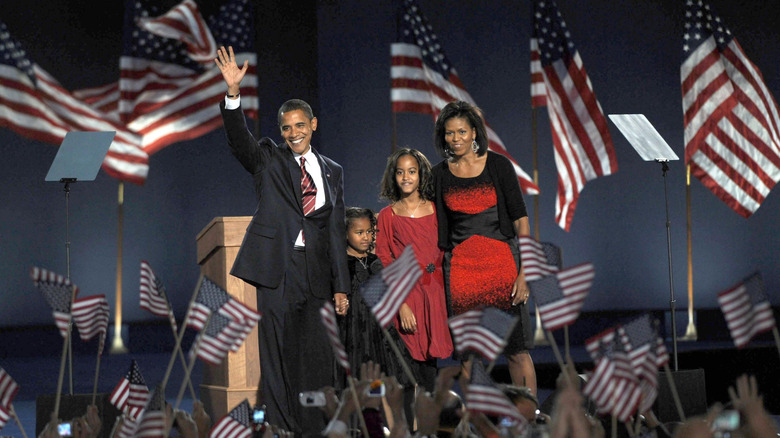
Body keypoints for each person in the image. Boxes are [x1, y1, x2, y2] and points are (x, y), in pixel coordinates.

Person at [215, 45, 350, 436]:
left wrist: (341, 286)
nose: (293, 133)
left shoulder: (333, 171)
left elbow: (337, 230)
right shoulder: (268, 159)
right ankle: (281, 425)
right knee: (276, 352)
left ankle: (317, 425)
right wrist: (233, 95)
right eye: (286, 128)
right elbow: (239, 139)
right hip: (279, 267)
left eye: (299, 126)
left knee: (319, 353)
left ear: (313, 124)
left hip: (318, 272)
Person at [431, 100, 537, 394]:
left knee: (516, 350)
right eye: (450, 133)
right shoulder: (439, 174)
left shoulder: (498, 165)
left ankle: (528, 419)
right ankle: (478, 423)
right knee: (469, 356)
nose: (456, 139)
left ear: (475, 132)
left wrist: (524, 273)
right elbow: (428, 218)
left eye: (462, 132)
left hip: (502, 269)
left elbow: (522, 223)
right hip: (462, 273)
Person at [375, 148, 454, 423]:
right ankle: (405, 429)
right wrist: (403, 304)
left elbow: (443, 250)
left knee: (430, 371)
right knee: (408, 373)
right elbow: (385, 259)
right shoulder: (387, 215)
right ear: (393, 176)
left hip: (434, 296)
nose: (406, 177)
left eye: (411, 171)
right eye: (400, 172)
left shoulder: (436, 209)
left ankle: (429, 429)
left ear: (421, 175)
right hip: (405, 298)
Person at [339, 207, 393, 384]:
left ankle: (374, 407)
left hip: (376, 330)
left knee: (376, 371)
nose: (366, 237)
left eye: (369, 232)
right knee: (355, 371)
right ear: (346, 234)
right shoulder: (341, 263)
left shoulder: (374, 261)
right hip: (351, 329)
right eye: (359, 232)